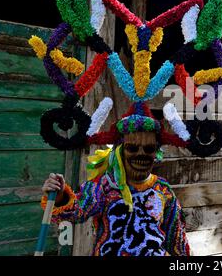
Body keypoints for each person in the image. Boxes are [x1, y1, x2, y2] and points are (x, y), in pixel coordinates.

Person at [41, 107, 190, 256]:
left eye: (149, 149)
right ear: (119, 151)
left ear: (156, 153)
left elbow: (176, 238)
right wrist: (60, 196)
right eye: (132, 148)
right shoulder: (104, 185)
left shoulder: (163, 189)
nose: (141, 154)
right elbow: (77, 211)